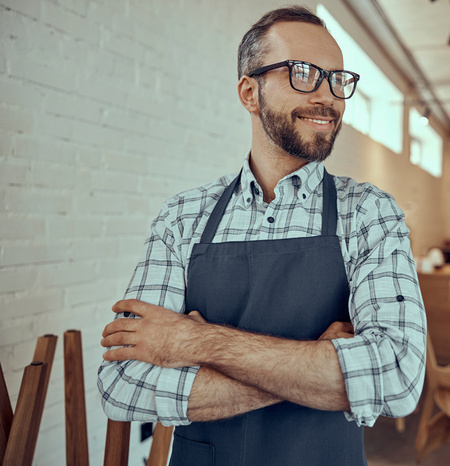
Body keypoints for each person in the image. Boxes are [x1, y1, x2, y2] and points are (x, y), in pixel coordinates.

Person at [98, 6, 426, 465]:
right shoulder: (182, 217)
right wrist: (316, 366)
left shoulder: (369, 213)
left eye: (337, 79)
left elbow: (397, 376)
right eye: (304, 73)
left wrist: (194, 342)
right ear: (249, 92)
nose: (328, 96)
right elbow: (121, 385)